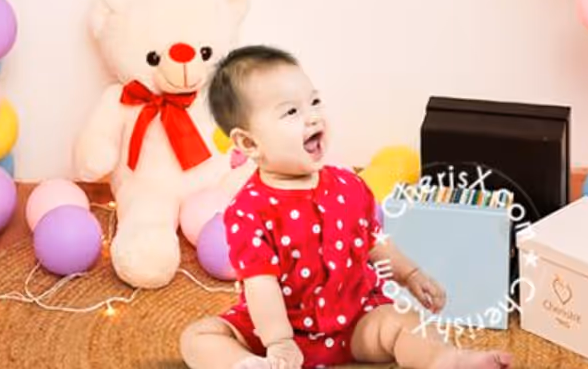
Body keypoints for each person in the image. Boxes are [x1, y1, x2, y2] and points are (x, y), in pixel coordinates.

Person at [180, 45, 512, 369]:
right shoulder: (249, 211)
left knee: (404, 321)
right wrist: (279, 341)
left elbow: (372, 240)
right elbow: (260, 283)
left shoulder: (348, 185)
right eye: (291, 112)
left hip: (354, 320)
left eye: (314, 102)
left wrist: (410, 273)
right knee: (198, 337)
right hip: (274, 330)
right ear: (249, 143)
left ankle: (445, 360)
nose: (312, 117)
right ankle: (247, 365)